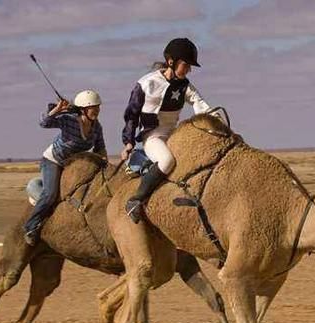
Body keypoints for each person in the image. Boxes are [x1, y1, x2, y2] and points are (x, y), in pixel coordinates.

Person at [120, 38, 211, 223]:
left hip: (174, 134)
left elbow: (199, 104)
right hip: (153, 136)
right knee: (167, 161)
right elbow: (131, 114)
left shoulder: (185, 85)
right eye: (186, 65)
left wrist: (214, 120)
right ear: (171, 61)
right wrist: (128, 141)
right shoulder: (147, 83)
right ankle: (136, 200)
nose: (188, 70)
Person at [24, 89, 107, 246]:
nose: (97, 110)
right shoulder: (69, 120)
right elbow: (44, 123)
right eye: (93, 107)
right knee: (50, 194)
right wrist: (57, 110)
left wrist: (105, 165)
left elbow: (100, 149)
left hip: (74, 165)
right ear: (83, 109)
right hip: (53, 161)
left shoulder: (97, 127)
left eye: (98, 107)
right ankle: (30, 226)